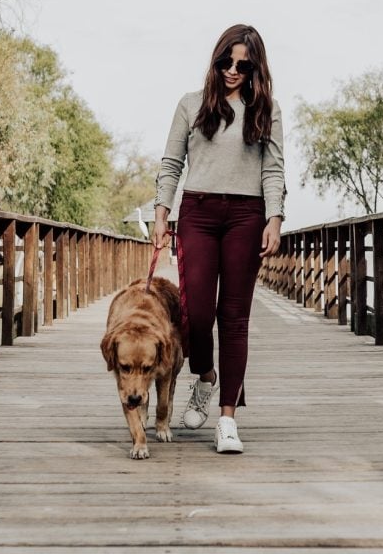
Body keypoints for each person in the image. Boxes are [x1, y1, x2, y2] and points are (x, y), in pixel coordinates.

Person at [153, 24, 285, 454]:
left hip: (247, 215)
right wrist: (161, 214)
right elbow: (172, 163)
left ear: (255, 68)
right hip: (198, 213)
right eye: (226, 61)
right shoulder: (191, 105)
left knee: (234, 318)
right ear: (216, 59)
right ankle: (205, 376)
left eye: (243, 64)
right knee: (196, 315)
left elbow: (273, 170)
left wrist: (275, 218)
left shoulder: (267, 110)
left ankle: (228, 418)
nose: (232, 69)